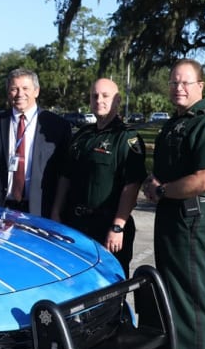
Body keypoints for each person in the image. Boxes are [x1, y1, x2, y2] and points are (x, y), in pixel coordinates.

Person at [141, 58, 205, 349]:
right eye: (174, 82)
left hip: (191, 220)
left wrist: (162, 192)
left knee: (190, 300)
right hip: (172, 217)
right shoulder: (176, 124)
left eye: (185, 83)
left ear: (200, 86)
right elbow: (169, 174)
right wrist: (154, 184)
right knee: (171, 299)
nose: (178, 87)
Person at [51, 78, 146, 277]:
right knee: (74, 280)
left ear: (118, 100)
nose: (99, 100)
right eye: (94, 96)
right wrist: (56, 212)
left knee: (109, 284)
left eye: (105, 96)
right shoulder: (82, 136)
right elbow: (65, 177)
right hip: (75, 224)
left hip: (106, 226)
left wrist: (118, 226)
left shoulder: (127, 138)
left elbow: (132, 185)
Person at [0, 68, 71, 216]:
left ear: (36, 91)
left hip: (40, 211)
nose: (20, 94)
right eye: (14, 89)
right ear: (8, 93)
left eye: (25, 88)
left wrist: (58, 211)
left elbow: (65, 174)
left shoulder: (57, 126)